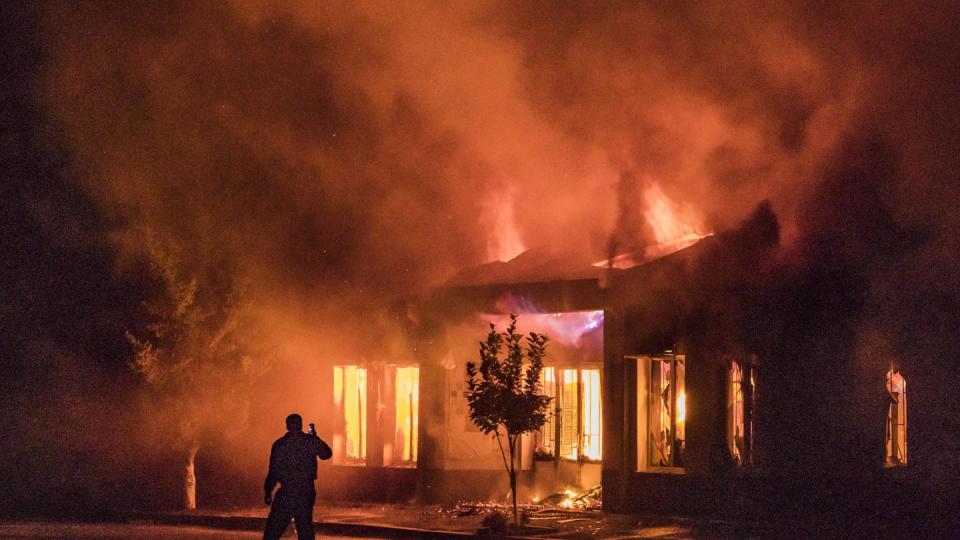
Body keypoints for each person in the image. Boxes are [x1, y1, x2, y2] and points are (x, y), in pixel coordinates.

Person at [263, 413, 333, 540]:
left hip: (287, 490)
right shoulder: (309, 441)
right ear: (301, 425)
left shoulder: (280, 444)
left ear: (287, 426)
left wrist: (268, 490)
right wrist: (315, 439)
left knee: (274, 528)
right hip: (305, 490)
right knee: (305, 526)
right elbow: (326, 454)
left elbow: (273, 470)